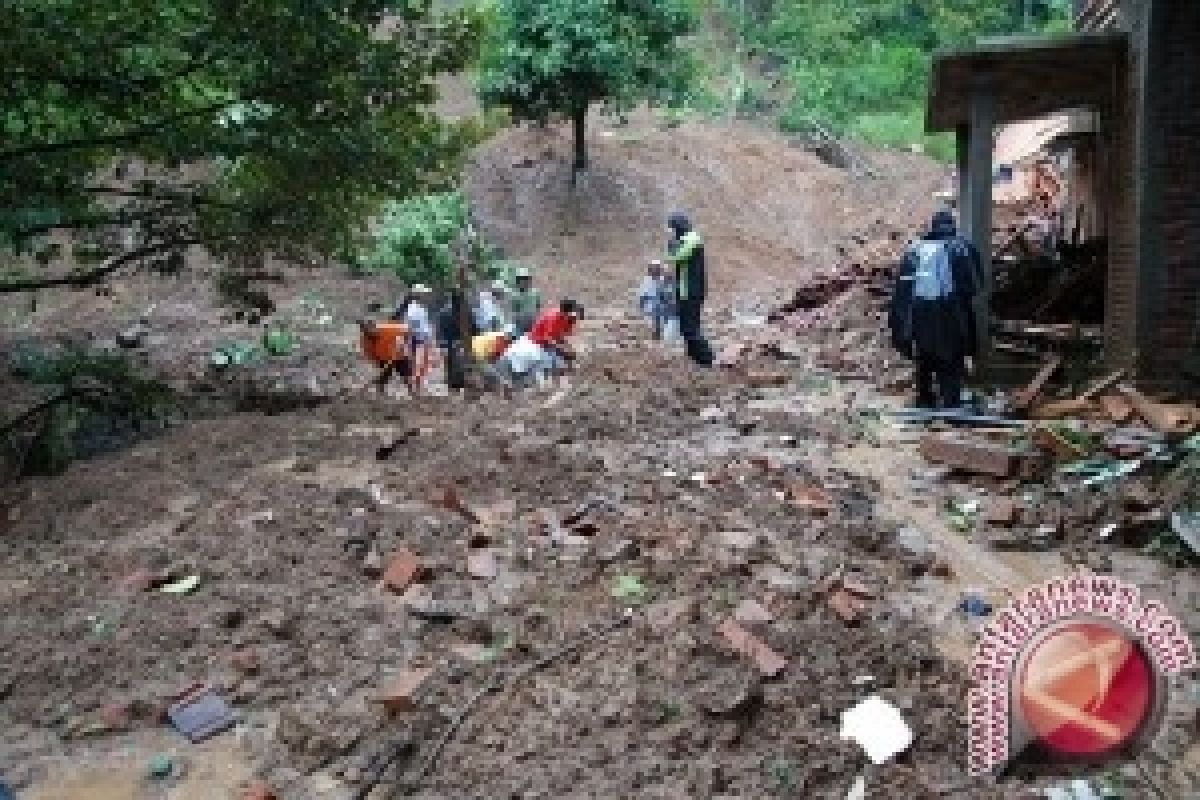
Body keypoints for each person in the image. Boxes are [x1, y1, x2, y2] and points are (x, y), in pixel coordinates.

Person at [888, 209, 981, 410]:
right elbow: (974, 286)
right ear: (952, 226)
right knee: (951, 359)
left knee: (924, 357)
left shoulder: (914, 250)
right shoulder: (961, 247)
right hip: (950, 312)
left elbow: (901, 292)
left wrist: (902, 327)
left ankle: (924, 401)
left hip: (919, 314)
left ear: (932, 227)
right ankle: (951, 406)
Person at [665, 212, 713, 366]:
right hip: (687, 290)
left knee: (690, 328)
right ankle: (695, 358)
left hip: (691, 291)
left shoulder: (691, 239)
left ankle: (707, 359)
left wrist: (672, 244)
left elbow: (675, 257)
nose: (670, 232)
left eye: (671, 228)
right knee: (687, 328)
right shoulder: (687, 239)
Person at [528, 298, 582, 378]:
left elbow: (563, 336)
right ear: (565, 312)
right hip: (538, 343)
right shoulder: (553, 318)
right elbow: (548, 339)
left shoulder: (569, 319)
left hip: (551, 341)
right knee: (558, 366)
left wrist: (567, 348)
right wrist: (563, 349)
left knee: (565, 358)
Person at [437, 287, 478, 392]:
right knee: (462, 365)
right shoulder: (467, 311)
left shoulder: (445, 311)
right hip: (461, 343)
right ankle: (460, 385)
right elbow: (474, 329)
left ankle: (454, 385)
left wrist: (443, 344)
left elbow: (440, 331)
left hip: (451, 343)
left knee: (452, 365)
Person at [397, 285, 435, 395]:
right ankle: (414, 389)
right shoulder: (413, 310)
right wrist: (407, 342)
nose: (427, 296)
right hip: (417, 340)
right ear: (419, 295)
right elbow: (408, 327)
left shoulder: (420, 308)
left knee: (421, 365)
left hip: (422, 340)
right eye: (425, 294)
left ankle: (417, 388)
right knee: (416, 365)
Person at [358, 319, 411, 394]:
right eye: (366, 332)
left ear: (375, 326)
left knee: (406, 373)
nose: (371, 333)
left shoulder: (389, 328)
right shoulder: (365, 342)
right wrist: (380, 365)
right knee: (385, 373)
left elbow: (407, 330)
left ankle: (412, 390)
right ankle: (380, 389)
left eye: (371, 329)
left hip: (400, 354)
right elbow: (370, 356)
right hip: (383, 358)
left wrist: (403, 343)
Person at [637, 260, 669, 339]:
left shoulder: (662, 281)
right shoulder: (646, 282)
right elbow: (642, 297)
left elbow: (665, 294)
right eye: (654, 269)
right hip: (651, 306)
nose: (656, 271)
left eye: (657, 269)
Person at [508, 267, 542, 336]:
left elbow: (538, 307)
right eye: (521, 280)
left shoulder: (535, 293)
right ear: (518, 281)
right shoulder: (515, 295)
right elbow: (514, 311)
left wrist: (536, 318)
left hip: (533, 323)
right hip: (520, 325)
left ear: (529, 280)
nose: (523, 282)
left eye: (525, 279)